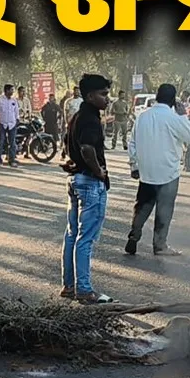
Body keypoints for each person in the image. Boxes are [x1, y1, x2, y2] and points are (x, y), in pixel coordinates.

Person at [125, 83, 190, 256]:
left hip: (146, 171)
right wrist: (183, 116)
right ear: (173, 100)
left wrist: (134, 165)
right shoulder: (173, 118)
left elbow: (132, 142)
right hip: (168, 173)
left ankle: (134, 236)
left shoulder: (142, 116)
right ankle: (160, 245)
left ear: (157, 96)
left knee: (142, 206)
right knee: (164, 209)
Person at [60, 73, 113, 304]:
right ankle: (83, 289)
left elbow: (66, 143)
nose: (107, 99)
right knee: (86, 239)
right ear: (90, 96)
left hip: (75, 180)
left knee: (72, 235)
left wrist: (74, 162)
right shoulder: (90, 119)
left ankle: (69, 286)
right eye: (103, 94)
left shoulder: (76, 116)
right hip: (90, 183)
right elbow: (88, 149)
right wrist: (99, 172)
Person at [0, 83, 20, 167]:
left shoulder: (13, 100)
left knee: (12, 142)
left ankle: (12, 160)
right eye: (11, 90)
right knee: (0, 141)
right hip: (1, 123)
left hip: (12, 123)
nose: (12, 92)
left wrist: (17, 119)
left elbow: (16, 111)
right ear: (7, 90)